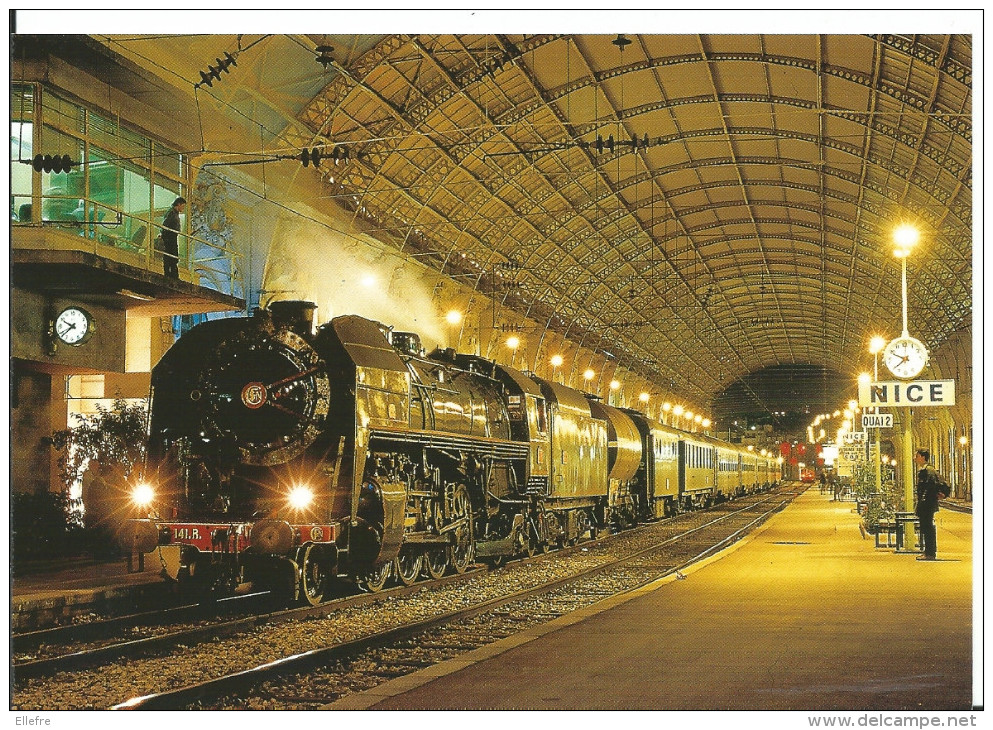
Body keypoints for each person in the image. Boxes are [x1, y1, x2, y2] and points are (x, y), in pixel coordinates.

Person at [914, 448, 948, 560]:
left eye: (917, 456)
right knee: (926, 528)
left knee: (928, 528)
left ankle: (930, 553)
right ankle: (928, 552)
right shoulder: (926, 470)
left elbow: (930, 487)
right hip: (926, 503)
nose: (915, 458)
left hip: (927, 504)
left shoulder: (928, 471)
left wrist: (924, 501)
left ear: (923, 457)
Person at [160, 196, 186, 278]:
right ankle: (171, 275)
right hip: (169, 237)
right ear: (178, 204)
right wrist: (164, 234)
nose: (183, 208)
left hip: (171, 236)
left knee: (172, 256)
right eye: (183, 206)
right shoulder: (171, 213)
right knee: (171, 255)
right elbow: (165, 224)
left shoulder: (174, 213)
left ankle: (172, 274)